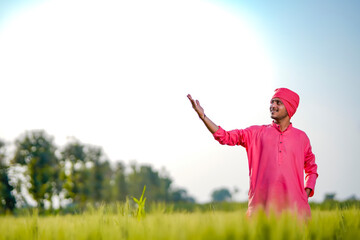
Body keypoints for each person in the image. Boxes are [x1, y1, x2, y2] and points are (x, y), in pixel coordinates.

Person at [187, 88, 318, 217]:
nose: (273, 106)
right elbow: (224, 136)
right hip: (260, 212)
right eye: (272, 102)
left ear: (289, 108)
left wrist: (304, 194)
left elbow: (311, 169)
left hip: (295, 214)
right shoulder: (255, 133)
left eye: (278, 102)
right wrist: (203, 117)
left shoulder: (302, 138)